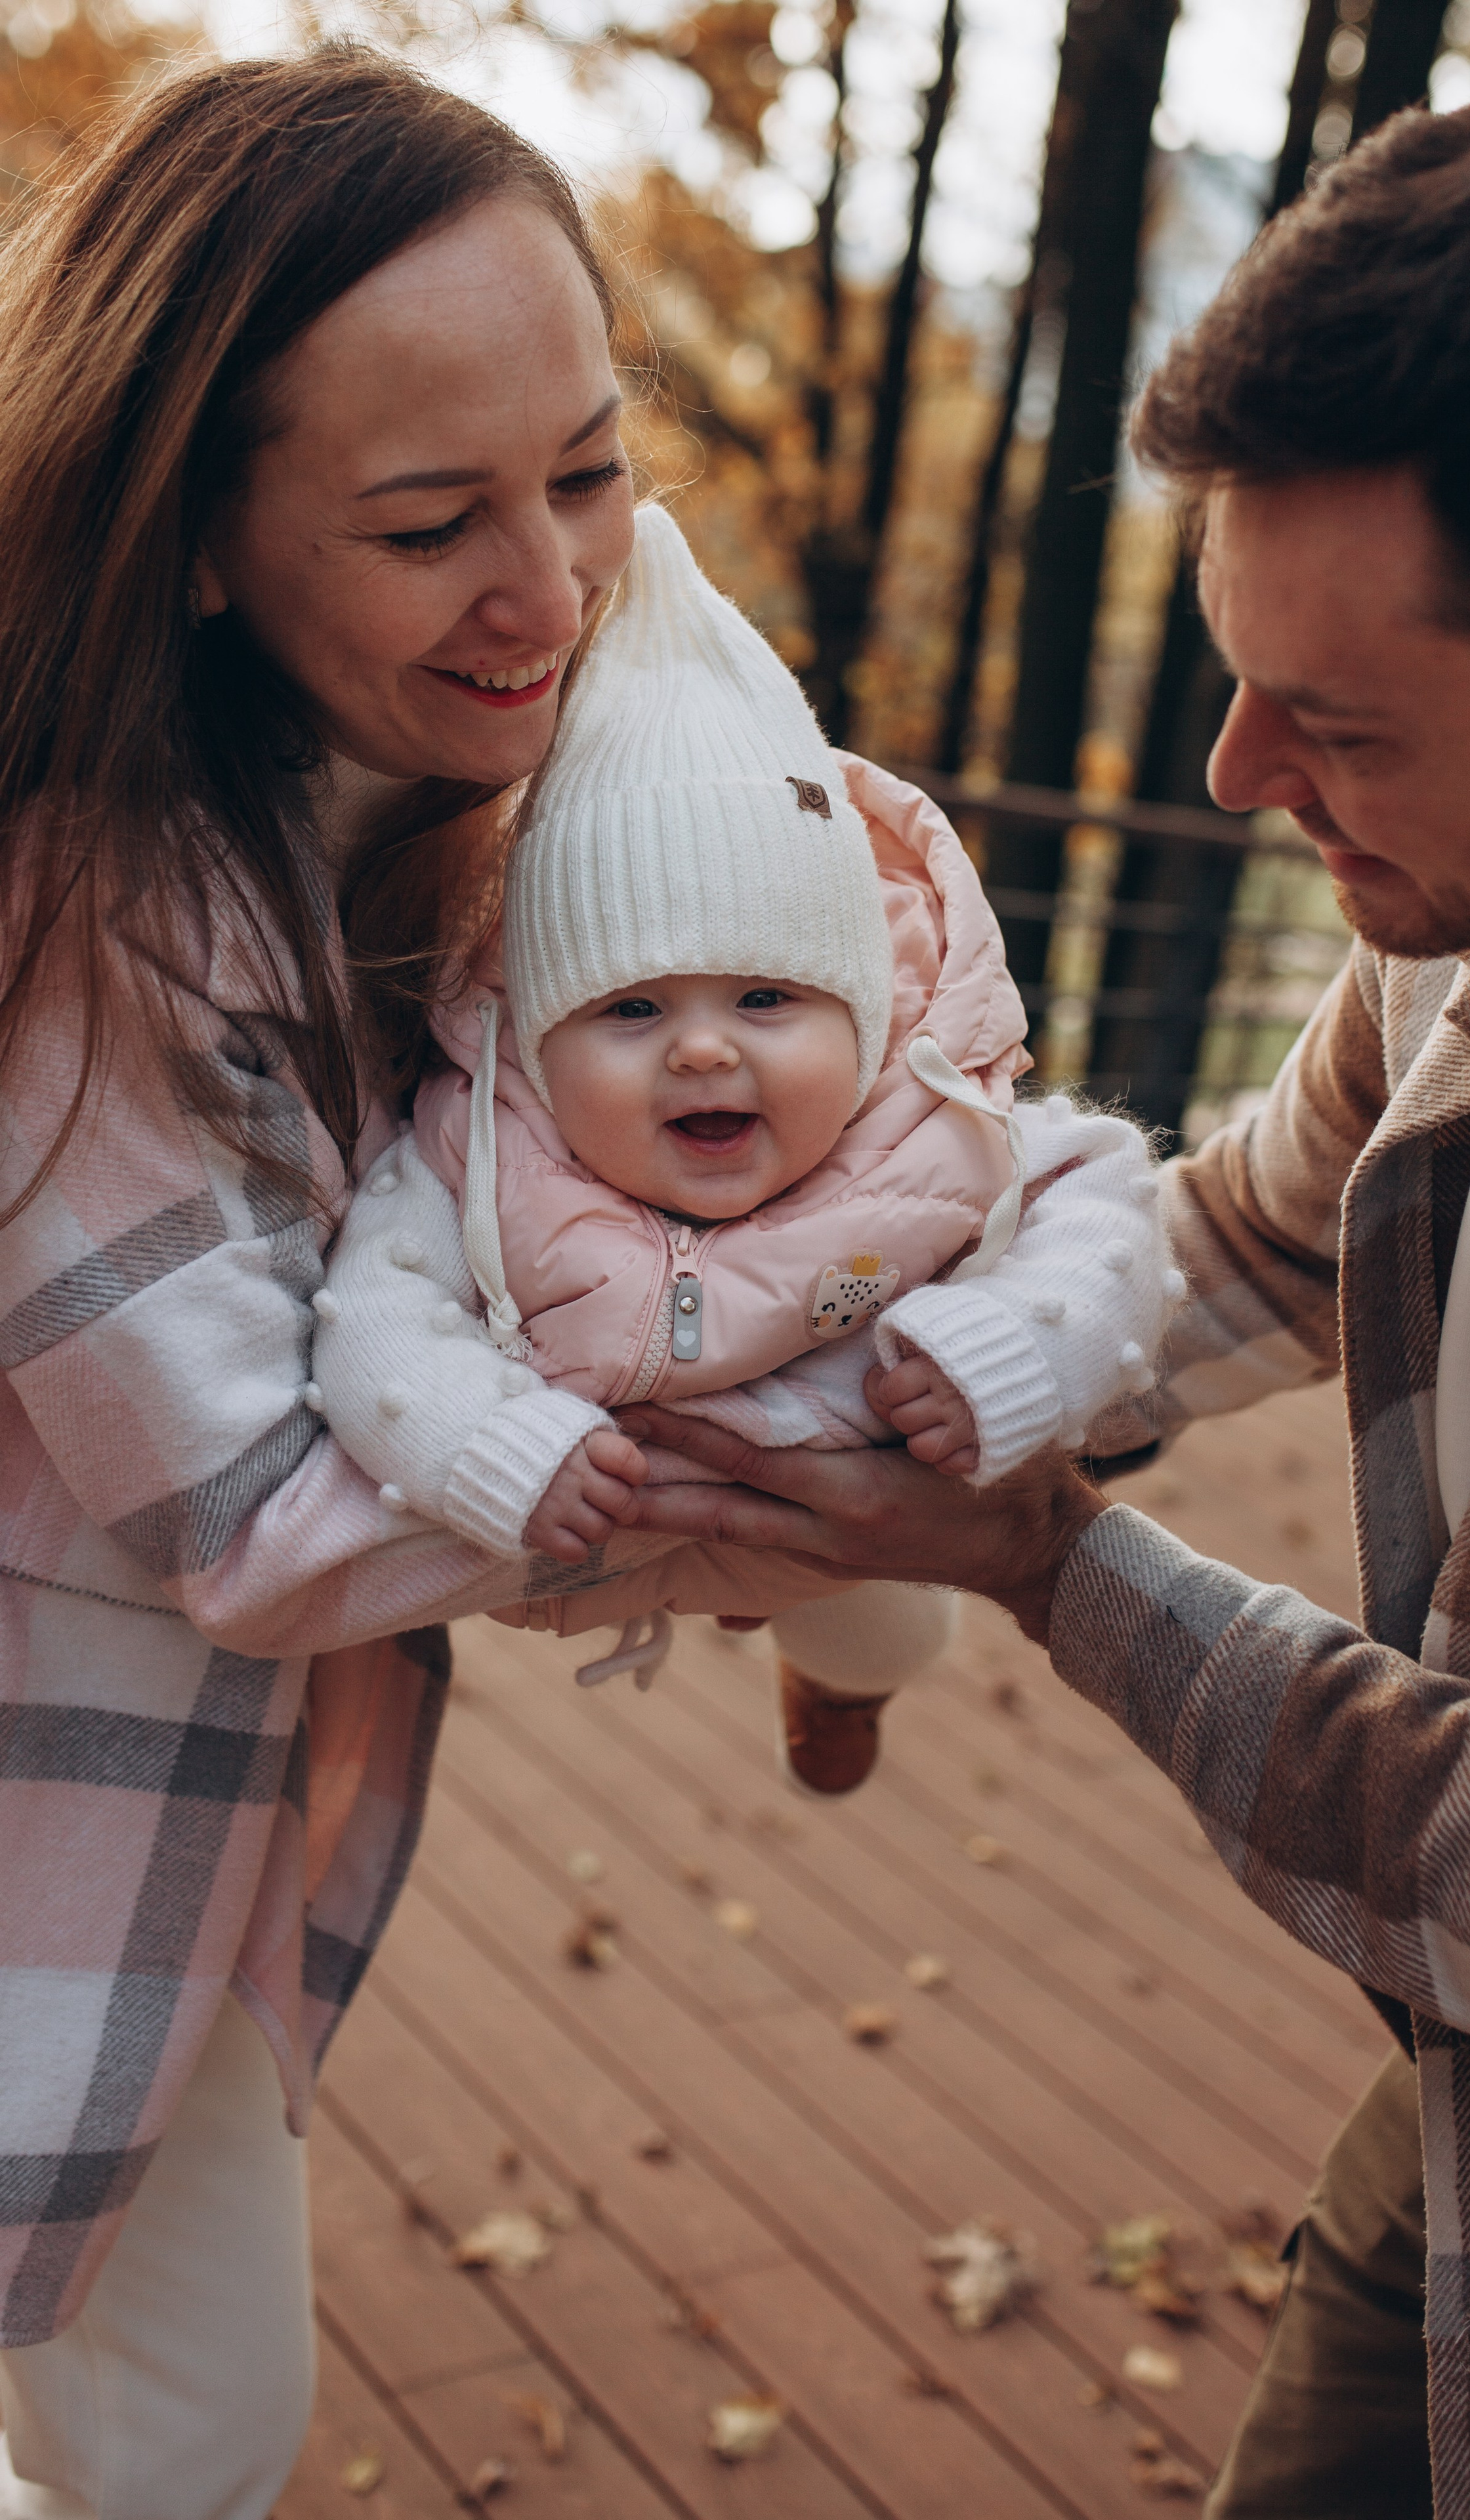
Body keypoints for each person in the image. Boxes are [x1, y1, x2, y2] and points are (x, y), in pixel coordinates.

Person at [608, 80, 1470, 2520]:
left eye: (1342, 726)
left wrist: (1044, 1562)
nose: (1227, 771)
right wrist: (863, 1335)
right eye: (1232, 672)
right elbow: (1238, 1239)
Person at [0, 46, 952, 2517]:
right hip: (55, 1796)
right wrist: (804, 1499)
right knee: (176, 2430)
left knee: (187, 2426)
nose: (551, 589)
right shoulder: (82, 923)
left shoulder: (481, 833)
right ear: (194, 537)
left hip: (159, 1820)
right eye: (434, 521)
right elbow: (252, 1513)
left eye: (591, 469)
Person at [309, 498, 1179, 1786]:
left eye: (766, 1000)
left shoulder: (925, 1118)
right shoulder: (480, 1155)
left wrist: (1009, 1357)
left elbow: (1111, 1208)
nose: (705, 1051)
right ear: (537, 1042)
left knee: (883, 1632)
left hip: (861, 1513)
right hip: (599, 1521)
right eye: (630, 1009)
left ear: (863, 1011)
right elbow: (372, 1317)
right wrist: (486, 1440)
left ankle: (842, 1696)